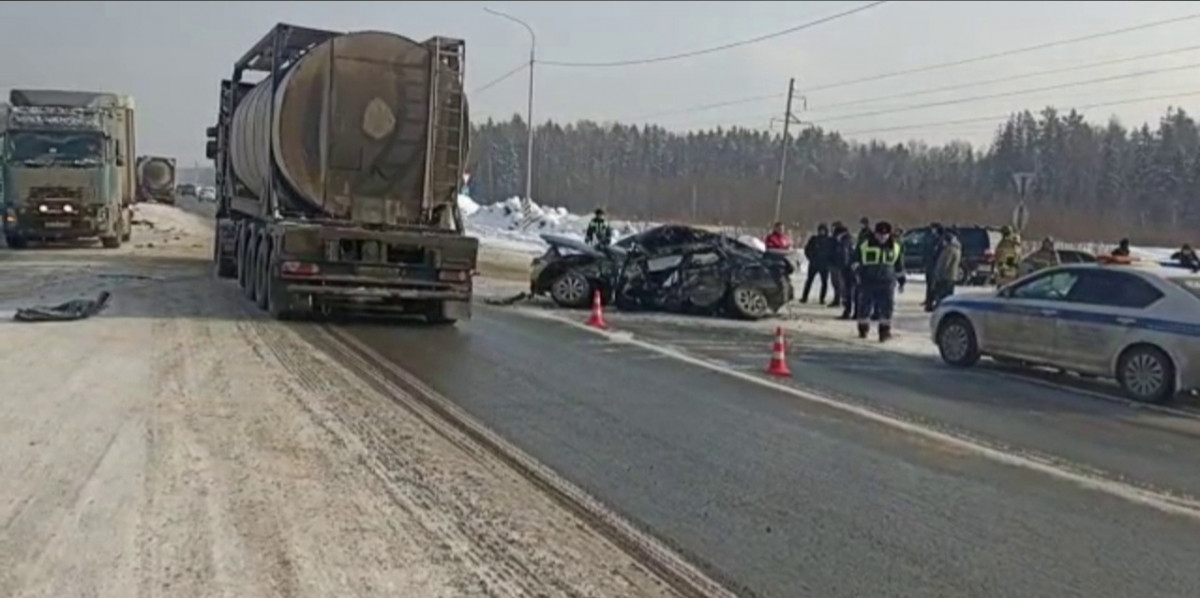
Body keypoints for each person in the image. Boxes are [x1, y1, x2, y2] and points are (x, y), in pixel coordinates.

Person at [852, 221, 906, 342]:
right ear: (875, 233)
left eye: (885, 235)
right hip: (868, 280)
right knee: (865, 306)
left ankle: (884, 331)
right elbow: (855, 260)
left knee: (887, 307)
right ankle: (863, 328)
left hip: (887, 282)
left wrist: (901, 280)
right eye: (880, 235)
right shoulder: (865, 244)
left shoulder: (895, 246)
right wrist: (858, 274)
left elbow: (899, 265)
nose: (882, 237)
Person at [801, 223, 834, 304]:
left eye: (823, 230)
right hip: (814, 263)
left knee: (824, 282)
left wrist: (829, 261)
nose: (821, 232)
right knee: (809, 281)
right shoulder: (814, 239)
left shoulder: (829, 240)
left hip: (824, 264)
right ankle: (804, 297)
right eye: (820, 230)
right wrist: (810, 257)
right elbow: (807, 249)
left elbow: (832, 252)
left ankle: (822, 298)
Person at [930, 229, 961, 310]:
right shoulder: (957, 248)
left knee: (943, 295)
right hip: (952, 276)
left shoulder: (949, 250)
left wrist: (938, 275)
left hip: (946, 277)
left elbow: (944, 264)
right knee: (948, 294)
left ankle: (942, 308)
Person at [834, 225, 858, 318]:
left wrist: (843, 267)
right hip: (853, 269)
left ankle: (848, 312)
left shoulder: (844, 241)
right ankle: (855, 312)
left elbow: (845, 256)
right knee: (854, 292)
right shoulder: (851, 240)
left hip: (848, 270)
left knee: (848, 292)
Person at [922, 222, 947, 311]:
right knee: (930, 286)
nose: (932, 230)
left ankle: (931, 303)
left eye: (933, 228)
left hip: (935, 266)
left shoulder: (940, 240)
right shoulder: (931, 239)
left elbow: (938, 254)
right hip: (930, 266)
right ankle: (929, 303)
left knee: (933, 286)